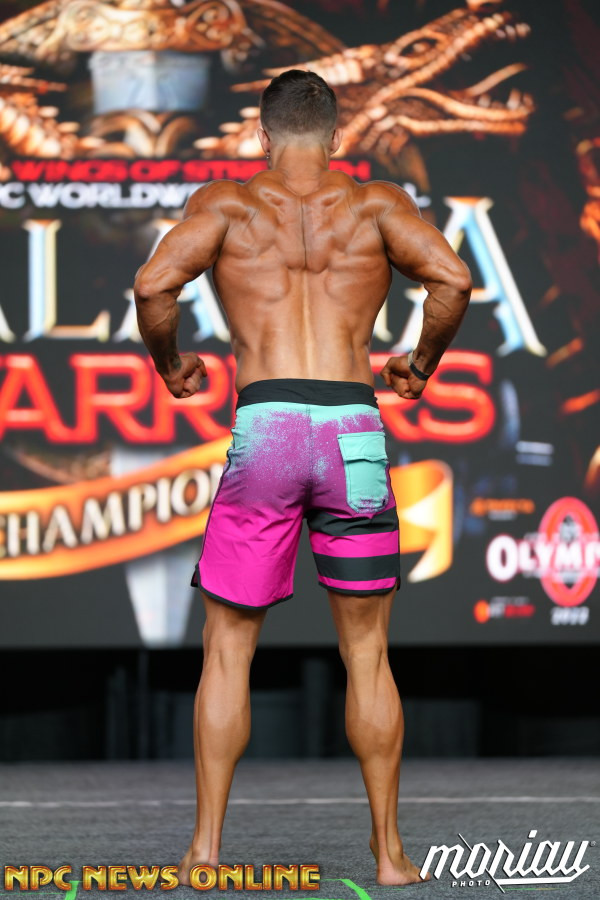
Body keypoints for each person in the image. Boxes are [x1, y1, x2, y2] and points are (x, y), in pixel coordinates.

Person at [134, 69, 471, 887]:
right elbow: (453, 278)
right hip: (353, 430)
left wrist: (172, 365)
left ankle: (206, 851)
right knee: (368, 651)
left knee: (227, 649)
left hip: (270, 431)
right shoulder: (376, 205)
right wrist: (420, 364)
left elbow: (152, 285)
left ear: (262, 134)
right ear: (335, 136)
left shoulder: (228, 206)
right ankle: (389, 856)